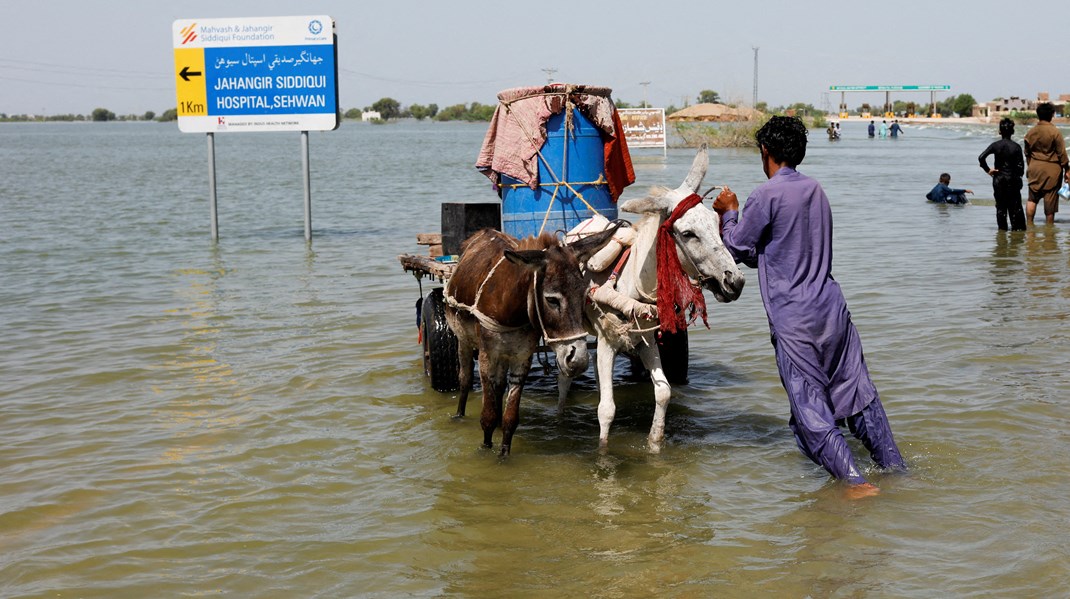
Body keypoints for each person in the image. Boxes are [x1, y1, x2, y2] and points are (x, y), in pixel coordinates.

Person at [712, 116, 906, 499]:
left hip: (794, 317)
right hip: (833, 310)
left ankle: (856, 482)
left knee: (808, 408)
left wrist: (728, 211)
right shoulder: (816, 189)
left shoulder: (764, 194)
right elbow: (774, 249)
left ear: (765, 152)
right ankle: (896, 470)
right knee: (859, 395)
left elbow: (735, 247)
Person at [1022, 102, 1070, 225]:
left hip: (1034, 168)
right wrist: (1067, 170)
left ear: (1038, 115)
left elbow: (1027, 153)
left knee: (1032, 198)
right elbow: (1062, 155)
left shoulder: (1030, 132)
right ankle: (1049, 230)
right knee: (1050, 201)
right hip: (1052, 170)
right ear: (1052, 115)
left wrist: (1031, 166)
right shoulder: (1055, 132)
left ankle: (1030, 225)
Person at [978, 117, 1027, 231]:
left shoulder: (995, 145)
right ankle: (1016, 232)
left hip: (999, 180)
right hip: (1013, 180)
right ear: (1013, 132)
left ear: (1000, 131)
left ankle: (1002, 232)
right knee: (1015, 208)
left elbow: (981, 158)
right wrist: (1017, 177)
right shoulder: (1016, 147)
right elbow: (1021, 169)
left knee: (1001, 208)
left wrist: (988, 170)